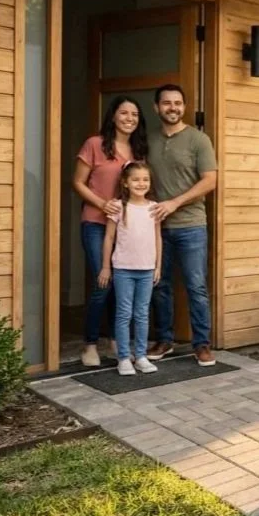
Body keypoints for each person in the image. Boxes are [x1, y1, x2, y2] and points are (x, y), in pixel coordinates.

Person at [72, 95, 148, 367]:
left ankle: (117, 342)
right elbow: (78, 183)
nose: (129, 119)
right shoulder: (95, 144)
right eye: (124, 113)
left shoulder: (139, 151)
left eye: (135, 115)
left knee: (122, 285)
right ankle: (90, 344)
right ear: (113, 116)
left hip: (126, 229)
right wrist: (102, 204)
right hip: (95, 223)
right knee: (103, 283)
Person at [145, 84, 218, 367]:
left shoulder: (199, 140)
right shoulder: (148, 140)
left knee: (195, 286)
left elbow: (209, 181)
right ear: (157, 107)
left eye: (177, 103)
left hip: (191, 226)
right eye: (166, 103)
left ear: (184, 107)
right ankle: (165, 339)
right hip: (156, 227)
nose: (172, 108)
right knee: (159, 285)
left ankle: (202, 344)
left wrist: (174, 203)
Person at [99, 161, 162, 376]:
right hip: (124, 268)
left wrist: (157, 266)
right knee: (124, 313)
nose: (141, 183)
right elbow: (109, 238)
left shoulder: (154, 208)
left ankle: (141, 356)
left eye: (145, 179)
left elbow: (157, 238)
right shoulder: (118, 207)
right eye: (135, 179)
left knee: (142, 314)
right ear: (125, 182)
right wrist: (106, 267)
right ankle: (124, 358)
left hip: (146, 269)